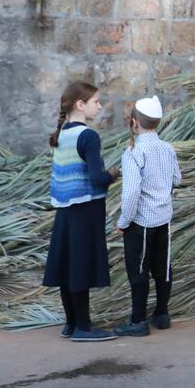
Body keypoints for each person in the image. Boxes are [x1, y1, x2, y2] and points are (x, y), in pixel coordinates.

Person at [44, 81, 119, 342]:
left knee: (67, 266)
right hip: (86, 209)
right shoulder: (88, 136)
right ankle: (84, 328)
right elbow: (97, 178)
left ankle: (71, 322)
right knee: (80, 267)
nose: (100, 106)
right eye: (96, 101)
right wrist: (114, 173)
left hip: (65, 210)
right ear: (80, 104)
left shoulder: (62, 133)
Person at [114, 96, 182, 337]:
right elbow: (177, 180)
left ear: (134, 123)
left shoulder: (133, 153)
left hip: (140, 221)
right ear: (158, 122)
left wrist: (123, 222)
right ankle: (162, 314)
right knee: (162, 266)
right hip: (163, 218)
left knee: (138, 270)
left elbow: (131, 192)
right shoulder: (167, 148)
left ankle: (138, 320)